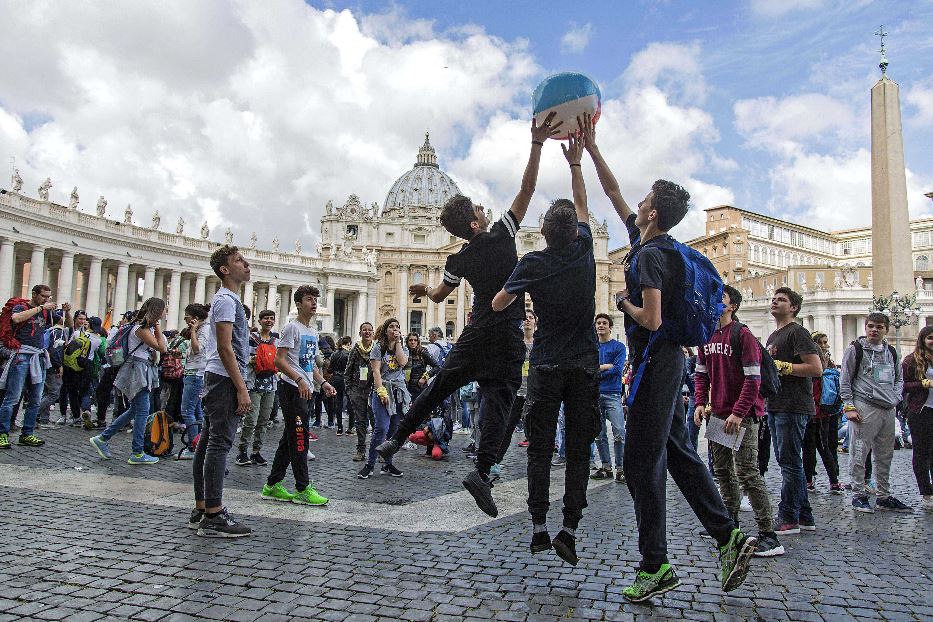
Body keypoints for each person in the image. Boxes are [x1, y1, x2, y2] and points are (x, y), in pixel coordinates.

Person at [583, 111, 755, 600]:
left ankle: (655, 564)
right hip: (667, 362)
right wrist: (593, 150)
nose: (633, 204)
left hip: (658, 363)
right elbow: (614, 194)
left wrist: (621, 303)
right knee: (679, 453)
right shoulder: (660, 245)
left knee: (640, 464)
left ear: (653, 213)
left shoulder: (648, 255)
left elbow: (652, 318)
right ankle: (727, 536)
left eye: (643, 201)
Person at [376, 113, 562, 516]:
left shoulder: (458, 256)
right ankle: (481, 470)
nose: (485, 207)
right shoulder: (503, 234)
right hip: (508, 331)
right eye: (480, 207)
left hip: (476, 330)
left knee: (441, 385)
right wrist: (537, 144)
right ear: (477, 221)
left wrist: (423, 289)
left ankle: (398, 436)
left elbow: (441, 295)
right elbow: (528, 187)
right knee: (501, 401)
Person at [492, 127, 600, 566]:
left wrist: (518, 289)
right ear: (574, 232)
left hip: (547, 363)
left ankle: (538, 526)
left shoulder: (532, 263)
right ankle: (569, 528)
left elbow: (499, 303)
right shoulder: (586, 249)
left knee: (540, 449)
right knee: (577, 451)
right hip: (586, 365)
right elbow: (585, 202)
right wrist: (576, 161)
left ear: (542, 232)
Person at [694, 285, 784, 558]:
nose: (714, 300)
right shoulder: (705, 335)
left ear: (731, 305)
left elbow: (753, 379)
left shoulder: (743, 335)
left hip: (743, 417)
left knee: (747, 472)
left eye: (720, 297)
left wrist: (739, 412)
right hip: (720, 414)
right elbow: (701, 375)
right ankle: (729, 525)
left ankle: (769, 533)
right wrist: (700, 402)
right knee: (722, 471)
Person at [190, 244, 253, 538]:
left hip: (217, 375)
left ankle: (203, 507)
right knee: (219, 444)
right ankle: (214, 515)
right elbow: (226, 347)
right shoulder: (227, 300)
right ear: (225, 270)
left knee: (208, 441)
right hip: (225, 377)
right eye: (239, 260)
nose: (247, 264)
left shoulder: (225, 299)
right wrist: (241, 387)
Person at [261, 286, 335, 505]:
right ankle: (302, 487)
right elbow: (279, 360)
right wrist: (300, 379)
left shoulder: (312, 332)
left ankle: (272, 485)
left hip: (305, 389)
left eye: (315, 299)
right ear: (298, 304)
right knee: (300, 437)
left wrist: (322, 382)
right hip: (291, 389)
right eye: (309, 299)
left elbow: (308, 364)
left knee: (290, 438)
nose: (313, 303)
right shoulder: (291, 328)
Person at [765, 287, 824, 532]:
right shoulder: (773, 336)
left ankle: (788, 516)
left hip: (793, 404)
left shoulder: (798, 332)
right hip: (776, 403)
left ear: (794, 308)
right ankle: (805, 515)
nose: (775, 302)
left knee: (789, 462)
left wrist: (785, 367)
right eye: (774, 299)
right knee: (787, 460)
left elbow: (816, 368)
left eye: (782, 300)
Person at [840, 313, 911, 513]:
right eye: (870, 326)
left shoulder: (892, 352)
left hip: (888, 408)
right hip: (864, 406)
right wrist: (849, 406)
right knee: (859, 453)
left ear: (885, 329)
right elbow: (845, 380)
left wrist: (896, 398)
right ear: (865, 327)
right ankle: (858, 494)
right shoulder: (855, 350)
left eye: (879, 327)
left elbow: (899, 379)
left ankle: (883, 495)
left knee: (885, 455)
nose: (874, 330)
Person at [89, 297, 168, 464]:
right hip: (137, 369)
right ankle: (137, 452)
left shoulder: (141, 328)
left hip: (140, 367)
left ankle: (103, 438)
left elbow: (157, 351)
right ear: (157, 311)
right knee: (142, 411)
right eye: (164, 309)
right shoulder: (141, 329)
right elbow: (162, 348)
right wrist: (158, 327)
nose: (166, 312)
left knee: (134, 409)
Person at [0, 284, 69, 449]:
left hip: (38, 356)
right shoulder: (21, 307)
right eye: (44, 296)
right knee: (13, 397)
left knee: (36, 399)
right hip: (21, 355)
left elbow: (66, 323)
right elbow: (16, 318)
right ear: (34, 294)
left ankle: (27, 434)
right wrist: (40, 308)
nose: (46, 299)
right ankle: (2, 434)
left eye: (48, 297)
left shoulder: (46, 311)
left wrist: (68, 311)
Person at [358, 318, 409, 479]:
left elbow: (402, 362)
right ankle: (370, 465)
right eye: (392, 327)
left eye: (397, 327)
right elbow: (376, 372)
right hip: (383, 389)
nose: (395, 329)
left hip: (398, 391)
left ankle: (388, 464)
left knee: (394, 430)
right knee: (381, 428)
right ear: (385, 330)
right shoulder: (378, 348)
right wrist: (381, 391)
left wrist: (398, 342)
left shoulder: (403, 347)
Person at [491, 308, 537, 475]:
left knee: (534, 429)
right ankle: (495, 460)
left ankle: (537, 462)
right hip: (516, 391)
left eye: (530, 318)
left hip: (534, 392)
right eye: (525, 318)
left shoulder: (539, 343)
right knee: (507, 427)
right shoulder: (515, 341)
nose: (527, 320)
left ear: (535, 322)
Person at [803, 331, 843, 494]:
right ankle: (833, 481)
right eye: (823, 342)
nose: (826, 345)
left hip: (813, 412)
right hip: (825, 412)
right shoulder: (830, 365)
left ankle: (808, 480)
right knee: (825, 448)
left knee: (809, 448)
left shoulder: (813, 369)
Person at [237, 309, 278, 466]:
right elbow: (242, 357)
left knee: (263, 420)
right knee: (251, 419)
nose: (269, 321)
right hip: (254, 383)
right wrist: (257, 360)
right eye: (266, 318)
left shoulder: (275, 341)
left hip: (270, 384)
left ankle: (256, 451)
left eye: (271, 318)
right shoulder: (251, 338)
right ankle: (242, 451)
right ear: (259, 321)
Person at [591, 313, 627, 483]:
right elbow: (589, 370)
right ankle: (606, 467)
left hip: (612, 394)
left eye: (604, 323)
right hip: (595, 394)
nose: (601, 325)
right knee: (599, 433)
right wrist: (605, 367)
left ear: (610, 327)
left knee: (619, 431)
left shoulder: (619, 347)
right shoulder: (592, 346)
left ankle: (621, 468)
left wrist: (597, 369)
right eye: (598, 323)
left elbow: (618, 369)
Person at [901, 326, 933, 510]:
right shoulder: (912, 360)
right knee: (922, 453)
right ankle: (926, 492)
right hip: (921, 410)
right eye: (930, 338)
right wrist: (923, 383)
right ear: (922, 340)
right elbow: (903, 385)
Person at [177, 303, 210, 459]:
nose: (185, 320)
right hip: (195, 371)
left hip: (196, 373)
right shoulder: (202, 329)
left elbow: (198, 349)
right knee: (196, 411)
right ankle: (200, 445)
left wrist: (192, 331)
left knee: (187, 411)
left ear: (195, 318)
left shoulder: (205, 330)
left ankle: (193, 447)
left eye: (186, 317)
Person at [345, 322, 375, 461]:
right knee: (360, 421)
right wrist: (350, 390)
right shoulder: (355, 349)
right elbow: (348, 371)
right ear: (360, 333)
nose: (367, 332)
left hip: (374, 389)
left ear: (373, 333)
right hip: (357, 389)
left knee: (376, 421)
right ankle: (361, 449)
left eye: (369, 330)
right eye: (364, 330)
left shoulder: (377, 349)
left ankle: (377, 450)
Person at [327, 336, 351, 434]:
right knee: (350, 402)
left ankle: (339, 428)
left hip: (337, 379)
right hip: (347, 379)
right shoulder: (349, 354)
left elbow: (330, 369)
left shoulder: (334, 354)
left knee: (338, 403)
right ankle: (350, 428)